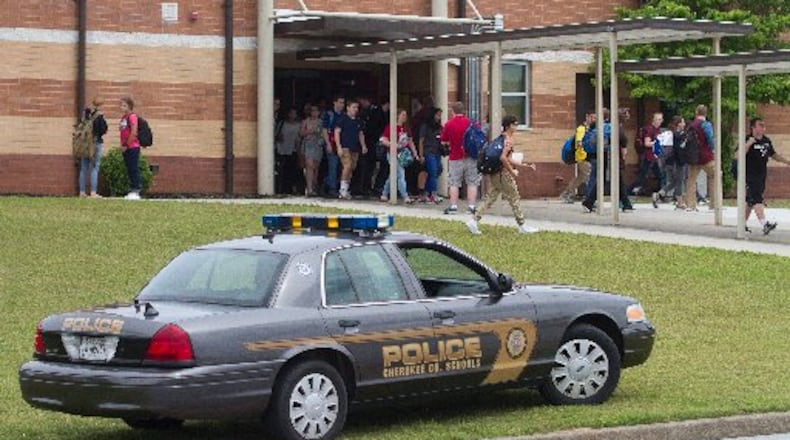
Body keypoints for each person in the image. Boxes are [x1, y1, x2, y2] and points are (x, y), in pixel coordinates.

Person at [466, 115, 538, 235]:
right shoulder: (508, 140)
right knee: (514, 197)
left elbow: (508, 158)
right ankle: (522, 225)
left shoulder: (501, 138)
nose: (516, 126)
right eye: (515, 124)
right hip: (502, 174)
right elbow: (503, 158)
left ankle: (474, 220)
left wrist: (524, 165)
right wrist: (512, 171)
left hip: (496, 174)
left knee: (491, 198)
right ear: (509, 126)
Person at [741, 117, 790, 235]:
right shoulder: (747, 139)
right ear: (753, 127)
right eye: (760, 125)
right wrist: (749, 144)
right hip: (749, 175)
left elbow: (773, 154)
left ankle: (741, 224)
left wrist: (787, 162)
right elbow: (738, 155)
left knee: (750, 200)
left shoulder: (766, 141)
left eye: (764, 125)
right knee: (757, 198)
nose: (763, 128)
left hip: (761, 174)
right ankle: (765, 224)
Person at [581, 108, 634, 213]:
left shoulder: (601, 127)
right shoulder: (616, 128)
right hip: (612, 157)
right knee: (612, 180)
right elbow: (623, 145)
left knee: (610, 180)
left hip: (602, 155)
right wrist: (623, 157)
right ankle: (589, 202)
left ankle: (626, 204)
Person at [441, 101, 479, 214]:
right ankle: (471, 207)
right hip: (471, 156)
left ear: (453, 111)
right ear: (464, 111)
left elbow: (444, 140)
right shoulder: (472, 123)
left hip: (455, 156)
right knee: (472, 182)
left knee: (454, 182)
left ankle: (453, 206)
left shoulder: (449, 124)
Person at [379, 109, 419, 203]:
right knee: (400, 173)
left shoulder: (406, 128)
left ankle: (384, 193)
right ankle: (405, 196)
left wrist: (415, 153)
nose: (404, 117)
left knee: (393, 175)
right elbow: (383, 140)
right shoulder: (391, 127)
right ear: (397, 116)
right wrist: (393, 144)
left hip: (402, 154)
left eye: (405, 115)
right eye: (403, 115)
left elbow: (410, 141)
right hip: (392, 154)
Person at [333, 99, 367, 199]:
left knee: (352, 168)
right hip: (345, 147)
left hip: (355, 148)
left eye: (357, 108)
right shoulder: (342, 119)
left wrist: (363, 145)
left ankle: (346, 188)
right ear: (348, 108)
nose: (355, 110)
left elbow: (360, 133)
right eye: (353, 107)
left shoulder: (358, 121)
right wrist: (338, 146)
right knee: (347, 166)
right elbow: (337, 132)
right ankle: (342, 189)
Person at [684, 105, 716, 212]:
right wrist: (713, 149)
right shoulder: (706, 125)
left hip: (693, 157)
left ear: (696, 112)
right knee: (715, 176)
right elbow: (710, 139)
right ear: (706, 113)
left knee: (691, 180)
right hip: (706, 157)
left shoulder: (691, 125)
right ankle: (714, 204)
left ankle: (691, 205)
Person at [559, 109, 595, 203]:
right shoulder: (582, 129)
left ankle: (567, 193)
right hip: (582, 157)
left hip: (585, 157)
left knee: (581, 177)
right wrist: (587, 146)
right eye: (592, 117)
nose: (594, 120)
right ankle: (590, 199)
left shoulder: (590, 130)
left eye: (595, 118)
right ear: (587, 117)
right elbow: (579, 142)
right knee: (589, 177)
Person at [653, 116, 687, 209]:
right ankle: (680, 202)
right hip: (677, 162)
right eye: (683, 122)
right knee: (679, 181)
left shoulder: (668, 133)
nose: (684, 124)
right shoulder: (678, 135)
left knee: (672, 182)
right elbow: (680, 149)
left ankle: (658, 194)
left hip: (668, 162)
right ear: (678, 124)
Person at [628, 112, 665, 196]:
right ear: (654, 120)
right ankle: (628, 190)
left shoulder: (657, 130)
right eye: (658, 119)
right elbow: (647, 143)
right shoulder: (650, 130)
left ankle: (659, 193)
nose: (660, 121)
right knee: (643, 176)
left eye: (661, 119)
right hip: (648, 156)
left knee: (659, 176)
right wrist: (658, 142)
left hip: (654, 156)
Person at [78, 97, 108, 198]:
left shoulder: (86, 114)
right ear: (101, 105)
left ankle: (82, 192)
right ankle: (93, 192)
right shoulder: (99, 116)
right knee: (95, 167)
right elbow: (103, 130)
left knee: (84, 168)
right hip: (96, 143)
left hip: (85, 143)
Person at [417, 107, 444, 204]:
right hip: (428, 151)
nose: (439, 117)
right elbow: (421, 141)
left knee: (436, 171)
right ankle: (432, 193)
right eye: (437, 115)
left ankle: (428, 192)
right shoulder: (425, 126)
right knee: (432, 171)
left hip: (437, 151)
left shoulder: (439, 127)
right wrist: (421, 155)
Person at [321, 95, 344, 198]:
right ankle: (332, 188)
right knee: (333, 166)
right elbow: (324, 129)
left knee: (341, 167)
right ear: (334, 103)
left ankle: (327, 183)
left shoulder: (344, 116)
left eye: (343, 103)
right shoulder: (329, 114)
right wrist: (328, 144)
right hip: (331, 143)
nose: (341, 105)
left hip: (342, 144)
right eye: (339, 102)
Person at [119, 96, 142, 200]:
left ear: (129, 106)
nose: (122, 107)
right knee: (129, 168)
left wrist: (127, 145)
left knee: (133, 168)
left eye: (124, 105)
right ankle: (132, 189)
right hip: (125, 147)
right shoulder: (123, 118)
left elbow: (133, 132)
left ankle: (136, 190)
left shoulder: (132, 117)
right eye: (121, 105)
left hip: (132, 147)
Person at [275, 107, 301, 194]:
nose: (293, 115)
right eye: (291, 113)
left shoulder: (299, 125)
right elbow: (276, 135)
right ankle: (282, 189)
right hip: (283, 150)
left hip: (294, 150)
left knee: (293, 170)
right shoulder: (282, 124)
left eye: (295, 113)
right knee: (283, 171)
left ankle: (292, 188)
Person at [300, 105, 323, 197]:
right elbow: (301, 133)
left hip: (318, 145)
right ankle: (309, 188)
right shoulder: (305, 121)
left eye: (316, 111)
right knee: (309, 165)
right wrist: (310, 131)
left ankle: (314, 186)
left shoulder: (322, 122)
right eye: (312, 110)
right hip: (308, 144)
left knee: (315, 167)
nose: (314, 112)